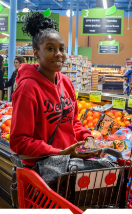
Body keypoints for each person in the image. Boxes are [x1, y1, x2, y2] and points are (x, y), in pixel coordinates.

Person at [9, 12, 100, 167]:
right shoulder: (28, 88)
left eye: (62, 49)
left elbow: (73, 122)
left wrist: (87, 137)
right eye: (51, 49)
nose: (59, 54)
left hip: (69, 164)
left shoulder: (66, 82)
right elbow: (19, 142)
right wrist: (58, 152)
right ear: (36, 52)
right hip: (42, 169)